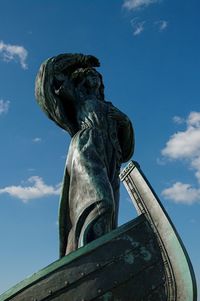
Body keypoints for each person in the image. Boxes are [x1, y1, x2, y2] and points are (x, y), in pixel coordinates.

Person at [35, 53, 134, 258]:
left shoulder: (110, 107)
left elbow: (126, 152)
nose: (95, 78)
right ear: (80, 80)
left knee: (110, 216)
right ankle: (85, 254)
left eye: (97, 76)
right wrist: (79, 60)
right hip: (87, 147)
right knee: (100, 202)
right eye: (90, 75)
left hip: (111, 159)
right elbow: (48, 73)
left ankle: (102, 257)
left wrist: (125, 122)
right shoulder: (76, 97)